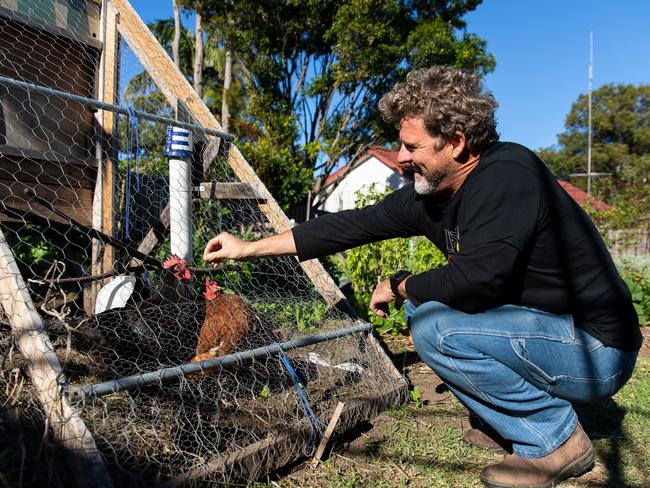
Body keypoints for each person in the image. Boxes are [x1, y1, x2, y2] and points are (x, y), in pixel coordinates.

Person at [203, 66, 641, 488]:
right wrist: (248, 248)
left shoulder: (508, 175)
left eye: (413, 147)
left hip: (596, 350)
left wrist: (398, 285)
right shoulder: (432, 197)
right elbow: (346, 227)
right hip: (542, 328)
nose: (401, 158)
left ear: (456, 142)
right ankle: (504, 419)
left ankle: (556, 441)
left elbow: (478, 281)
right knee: (425, 307)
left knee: (436, 326)